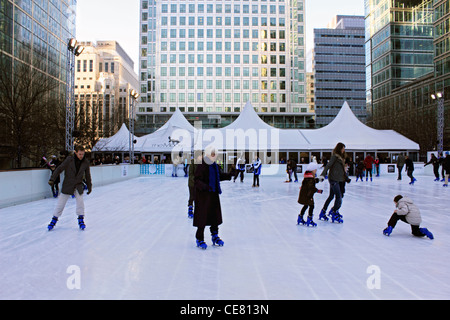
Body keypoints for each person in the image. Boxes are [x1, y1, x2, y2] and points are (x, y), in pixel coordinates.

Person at [193, 146, 234, 250]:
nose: (214, 156)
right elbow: (197, 180)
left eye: (215, 154)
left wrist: (230, 175)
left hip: (213, 195)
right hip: (203, 196)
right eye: (212, 154)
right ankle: (200, 238)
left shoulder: (214, 165)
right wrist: (205, 187)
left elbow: (219, 176)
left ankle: (214, 235)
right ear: (207, 154)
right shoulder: (202, 165)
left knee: (214, 217)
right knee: (202, 218)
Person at [47, 146, 92, 231]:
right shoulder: (69, 160)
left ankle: (81, 219)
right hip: (68, 185)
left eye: (83, 154)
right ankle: (54, 219)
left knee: (80, 203)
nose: (81, 156)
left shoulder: (85, 162)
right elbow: (59, 168)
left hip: (78, 185)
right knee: (61, 204)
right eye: (80, 154)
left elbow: (87, 175)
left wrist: (89, 186)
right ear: (76, 152)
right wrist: (52, 179)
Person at [318, 142, 348, 224]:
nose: (344, 150)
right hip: (333, 179)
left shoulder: (341, 158)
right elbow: (328, 165)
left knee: (331, 196)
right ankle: (334, 212)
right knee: (338, 197)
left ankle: (323, 212)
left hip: (339, 179)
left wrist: (346, 178)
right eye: (343, 148)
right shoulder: (335, 157)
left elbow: (342, 170)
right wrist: (323, 174)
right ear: (339, 149)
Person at [297, 163, 323, 227]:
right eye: (315, 169)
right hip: (308, 195)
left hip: (305, 194)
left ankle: (300, 218)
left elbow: (312, 181)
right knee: (311, 206)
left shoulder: (308, 177)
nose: (316, 171)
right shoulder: (310, 179)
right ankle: (309, 219)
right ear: (312, 170)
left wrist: (318, 180)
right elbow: (311, 187)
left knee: (306, 205)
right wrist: (318, 190)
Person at [187, 152, 203, 219]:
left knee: (198, 198)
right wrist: (195, 180)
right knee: (192, 197)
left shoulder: (202, 163)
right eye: (201, 156)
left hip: (199, 184)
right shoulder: (193, 162)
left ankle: (198, 212)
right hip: (192, 183)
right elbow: (190, 174)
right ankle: (190, 210)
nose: (202, 157)